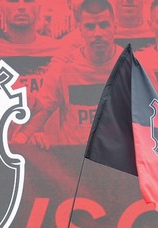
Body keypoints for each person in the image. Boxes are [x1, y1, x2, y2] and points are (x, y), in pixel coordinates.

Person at [16, 0, 118, 148]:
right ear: (80, 30)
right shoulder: (64, 68)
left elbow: (148, 116)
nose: (97, 33)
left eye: (103, 25)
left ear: (114, 27)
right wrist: (22, 138)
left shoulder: (130, 66)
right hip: (75, 158)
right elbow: (41, 111)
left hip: (116, 157)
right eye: (90, 27)